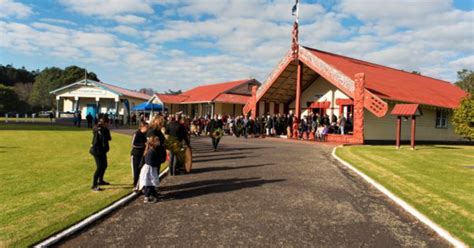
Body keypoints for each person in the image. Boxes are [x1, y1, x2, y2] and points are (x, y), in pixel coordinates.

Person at [138, 135, 165, 203]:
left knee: (151, 184)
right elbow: (150, 162)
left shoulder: (152, 149)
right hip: (149, 169)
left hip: (151, 169)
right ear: (153, 142)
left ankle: (153, 195)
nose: (159, 142)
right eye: (157, 141)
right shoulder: (151, 151)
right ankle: (146, 198)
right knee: (149, 184)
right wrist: (159, 161)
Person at [89, 118, 112, 191]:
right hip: (97, 150)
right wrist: (101, 130)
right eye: (107, 123)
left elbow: (109, 138)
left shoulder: (104, 129)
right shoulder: (98, 129)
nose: (108, 124)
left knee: (104, 165)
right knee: (99, 167)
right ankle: (94, 185)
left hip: (102, 150)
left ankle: (100, 180)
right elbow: (102, 139)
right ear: (105, 123)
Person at [130, 121, 149, 192]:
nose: (147, 129)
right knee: (136, 170)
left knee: (142, 170)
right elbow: (133, 143)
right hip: (135, 155)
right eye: (146, 127)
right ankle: (135, 185)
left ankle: (141, 185)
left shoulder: (144, 134)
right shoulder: (137, 133)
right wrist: (143, 145)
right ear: (142, 127)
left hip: (142, 155)